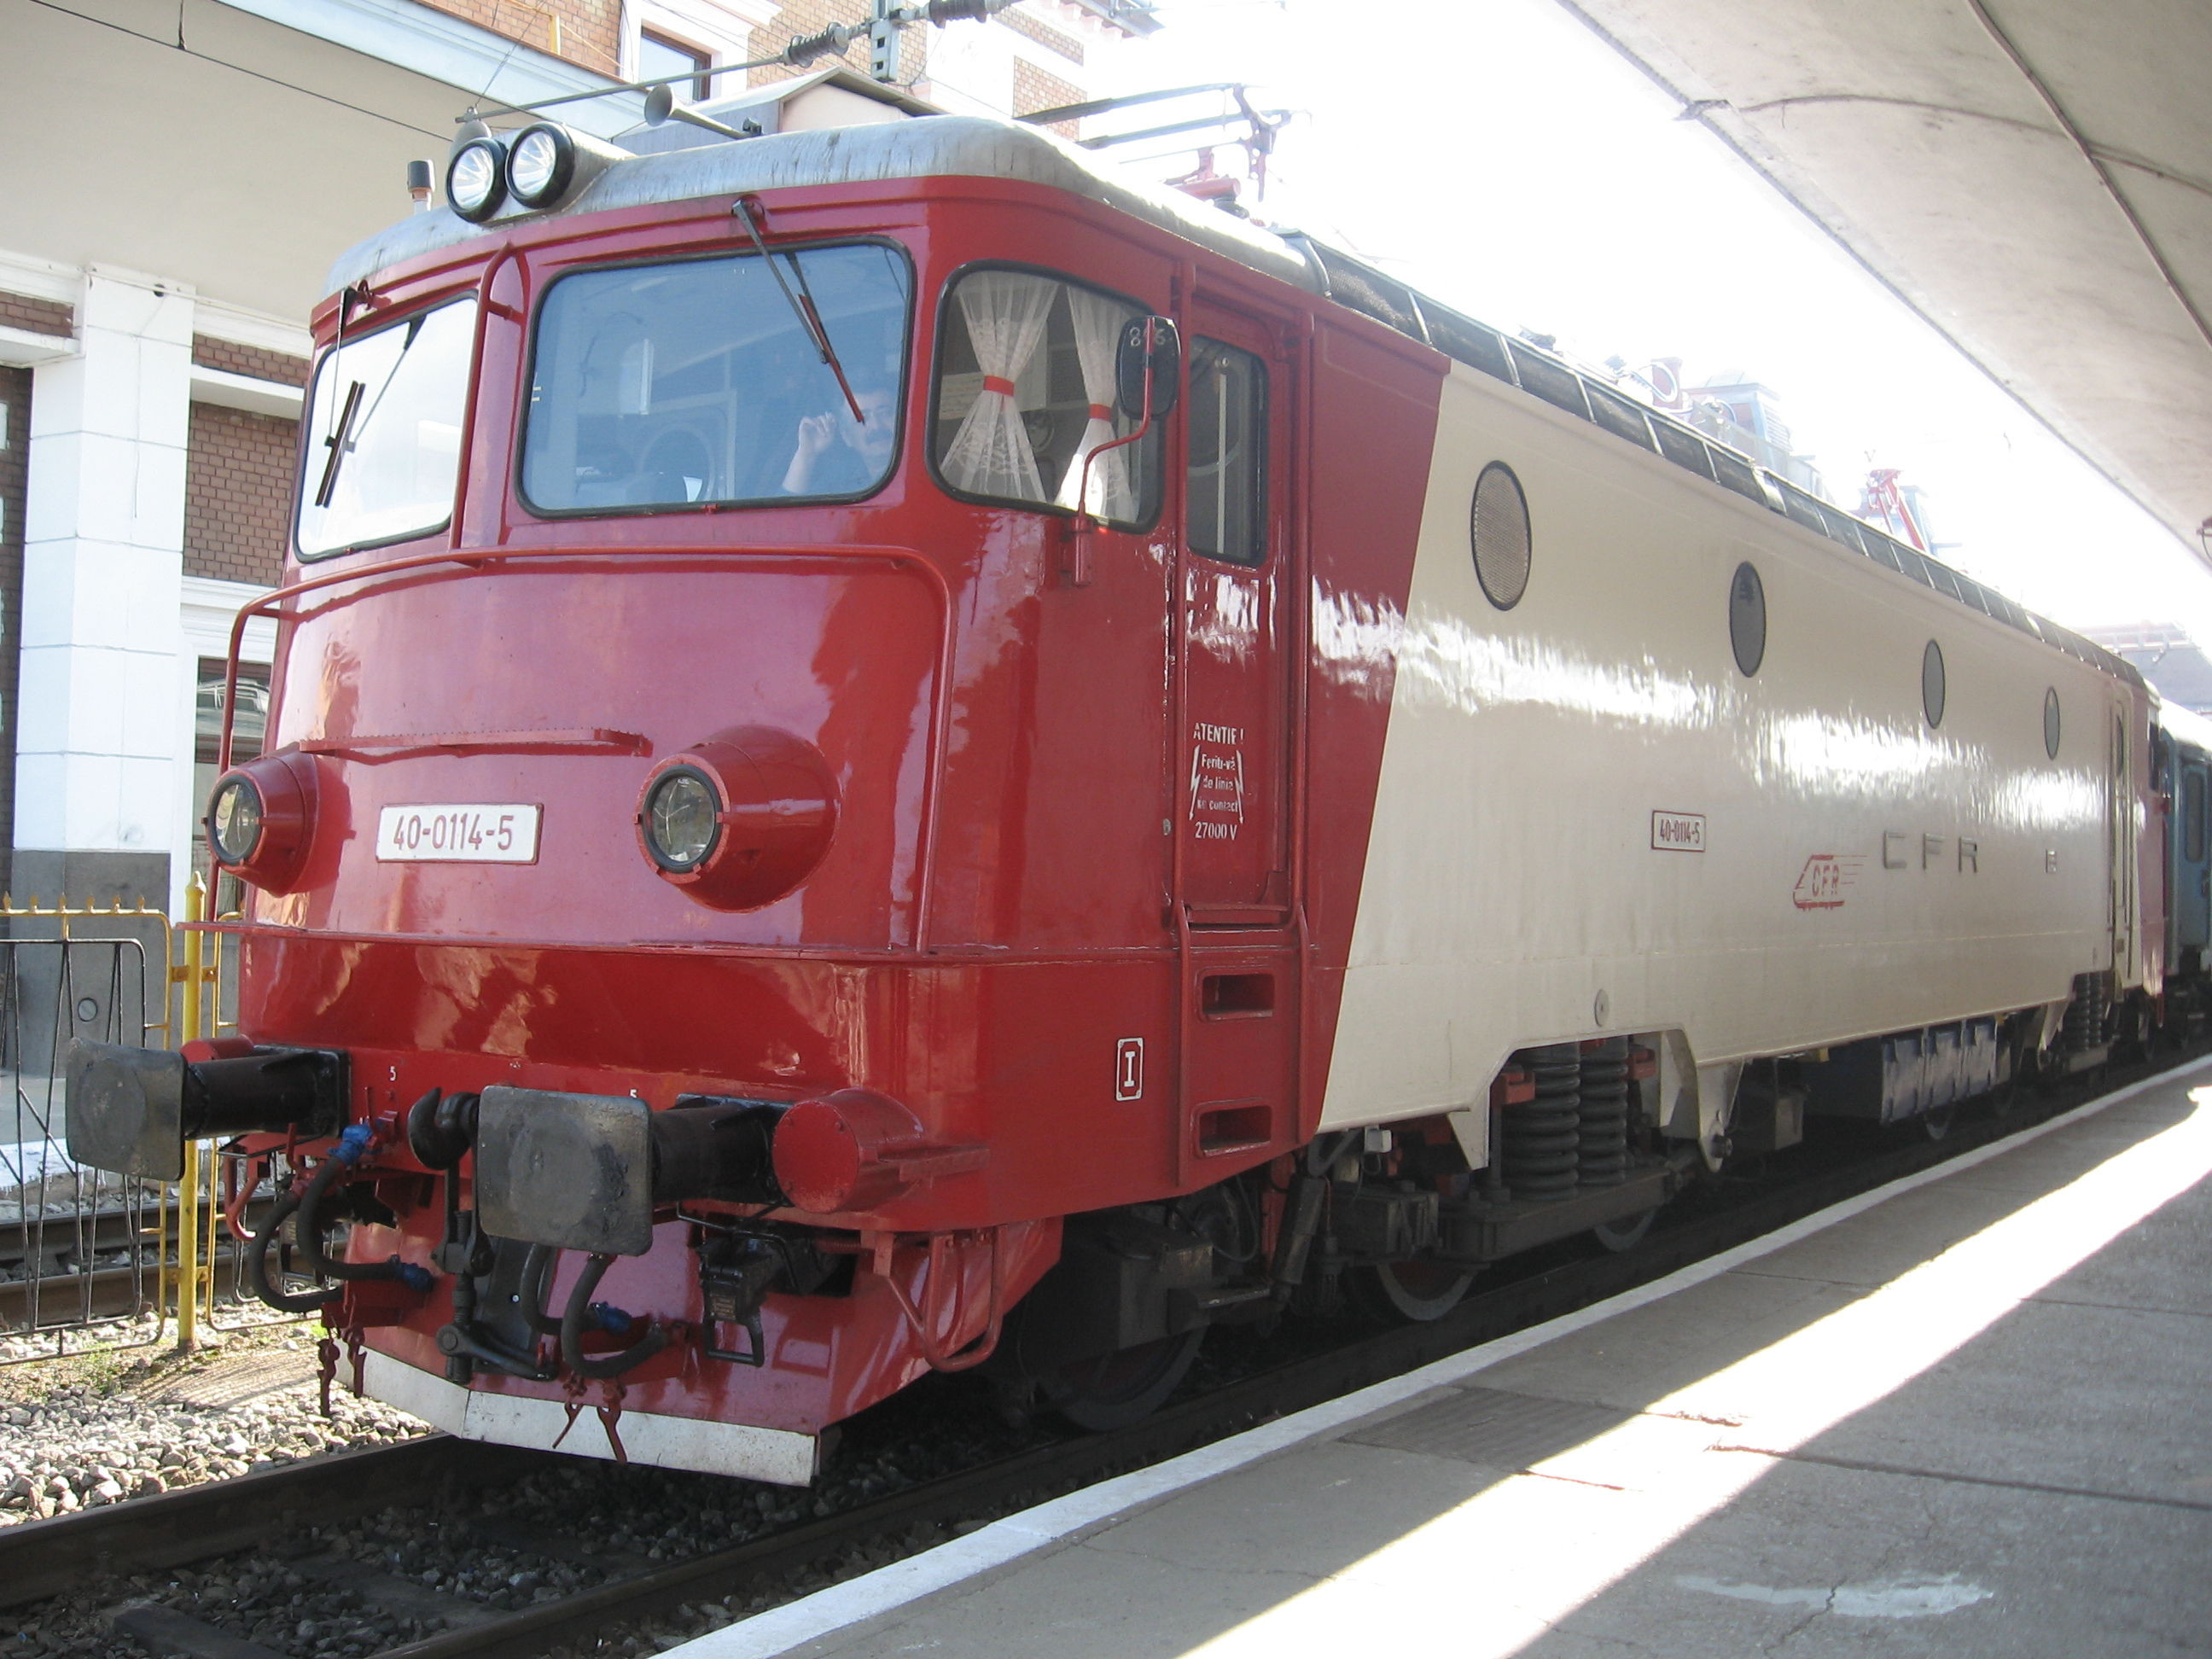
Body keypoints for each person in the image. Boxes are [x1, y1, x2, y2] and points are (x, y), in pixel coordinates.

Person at [782, 386, 896, 495]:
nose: (876, 426)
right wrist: (807, 453)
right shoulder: (841, 480)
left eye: (885, 413)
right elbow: (786, 512)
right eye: (861, 419)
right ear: (847, 437)